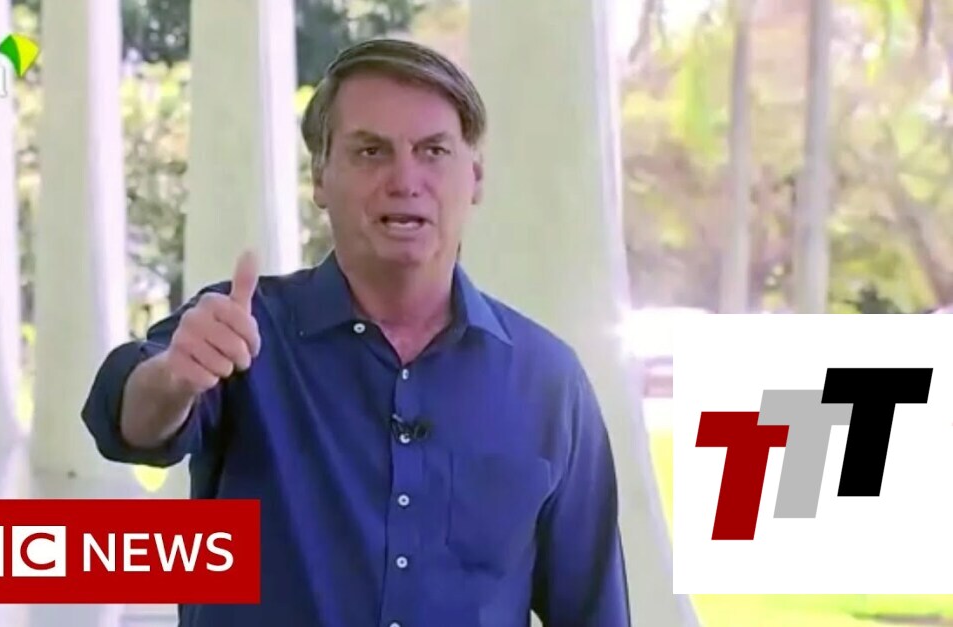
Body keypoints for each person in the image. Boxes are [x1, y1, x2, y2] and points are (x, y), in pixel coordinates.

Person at [82, 38, 630, 627]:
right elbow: (129, 425)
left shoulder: (549, 382)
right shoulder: (242, 329)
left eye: (433, 151)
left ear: (474, 177)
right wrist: (173, 380)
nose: (405, 179)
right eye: (371, 151)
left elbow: (593, 611)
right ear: (320, 177)